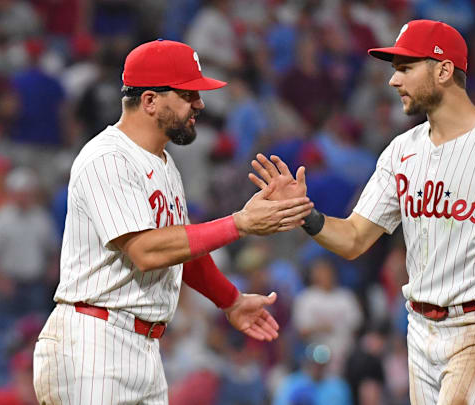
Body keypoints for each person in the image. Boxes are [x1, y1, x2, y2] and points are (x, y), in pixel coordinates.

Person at [250, 20, 475, 403]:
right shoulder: (401, 151)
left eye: (406, 68)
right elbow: (354, 238)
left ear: (444, 70)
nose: (394, 81)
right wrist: (306, 215)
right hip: (421, 331)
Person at [32, 39, 314, 404]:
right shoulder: (108, 158)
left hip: (142, 347)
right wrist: (239, 223)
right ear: (149, 100)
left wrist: (230, 300)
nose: (199, 104)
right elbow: (146, 251)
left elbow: (181, 249)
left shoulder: (164, 165)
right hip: (93, 342)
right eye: (187, 95)